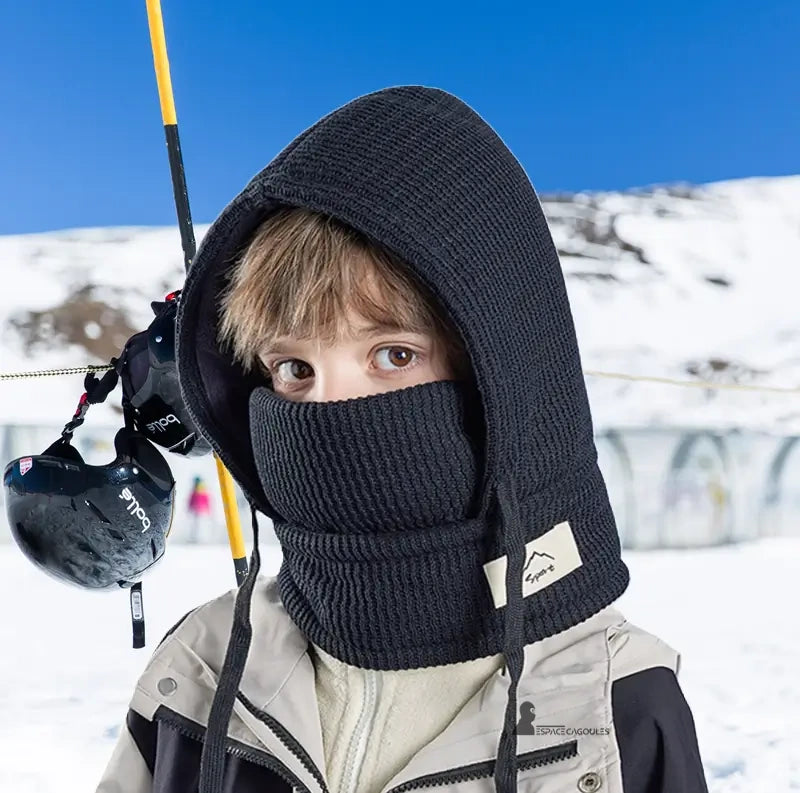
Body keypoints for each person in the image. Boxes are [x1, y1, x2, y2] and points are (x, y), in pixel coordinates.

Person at [96, 86, 709, 793]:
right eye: (294, 368)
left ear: (499, 377)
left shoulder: (616, 708)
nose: (330, 411)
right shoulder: (202, 668)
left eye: (392, 355)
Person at [187, 475, 213, 544]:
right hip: (198, 511)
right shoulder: (199, 491)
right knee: (197, 525)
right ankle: (196, 538)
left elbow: (206, 501)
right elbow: (192, 501)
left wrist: (208, 510)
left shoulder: (200, 491)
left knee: (199, 525)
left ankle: (199, 538)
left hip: (200, 511)